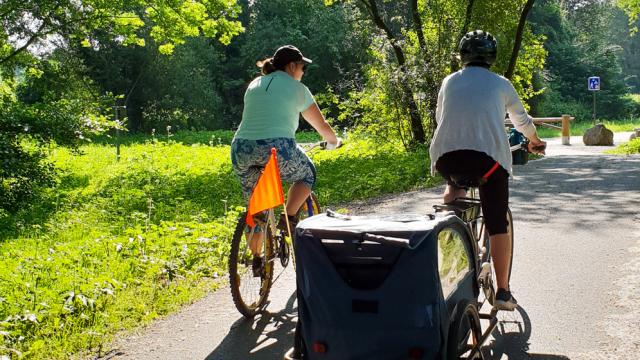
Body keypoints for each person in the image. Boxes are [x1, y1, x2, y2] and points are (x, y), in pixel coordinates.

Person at [429, 30, 546, 311]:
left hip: (446, 156)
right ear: (492, 57)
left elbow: (439, 117)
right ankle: (503, 292)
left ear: (462, 56)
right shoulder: (501, 84)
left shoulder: (449, 81)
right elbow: (521, 120)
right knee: (496, 220)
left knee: (454, 186)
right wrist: (534, 142)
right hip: (487, 161)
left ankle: (454, 232)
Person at [230, 45, 341, 274]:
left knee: (258, 208)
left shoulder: (254, 85)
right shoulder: (296, 87)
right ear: (292, 66)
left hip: (241, 148)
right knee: (307, 173)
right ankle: (288, 218)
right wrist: (334, 141)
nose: (303, 73)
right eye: (303, 68)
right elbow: (322, 126)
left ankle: (257, 258)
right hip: (276, 148)